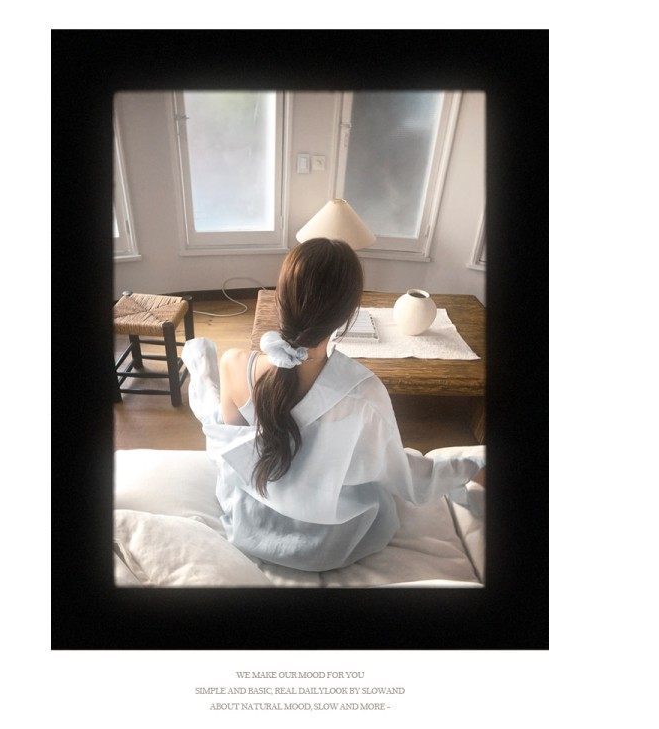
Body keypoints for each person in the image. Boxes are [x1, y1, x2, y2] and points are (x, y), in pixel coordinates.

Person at [181, 236, 457, 576]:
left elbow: (235, 452)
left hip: (252, 527)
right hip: (333, 544)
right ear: (348, 315)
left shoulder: (235, 365)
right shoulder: (365, 392)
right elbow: (390, 470)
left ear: (280, 299)